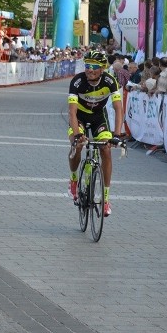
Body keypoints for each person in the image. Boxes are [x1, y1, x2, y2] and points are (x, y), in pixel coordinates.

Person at [67, 50, 124, 216]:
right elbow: (71, 112)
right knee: (77, 146)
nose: (89, 69)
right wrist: (77, 134)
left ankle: (105, 199)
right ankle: (73, 179)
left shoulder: (109, 81)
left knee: (106, 150)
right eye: (87, 66)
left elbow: (118, 108)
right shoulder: (77, 81)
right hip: (80, 117)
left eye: (94, 66)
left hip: (99, 118)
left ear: (102, 69)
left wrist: (117, 134)